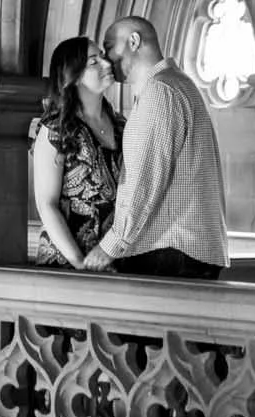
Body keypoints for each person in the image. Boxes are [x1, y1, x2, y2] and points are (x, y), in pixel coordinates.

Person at [83, 14, 229, 279]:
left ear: (134, 41)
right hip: (183, 249)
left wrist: (112, 246)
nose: (106, 59)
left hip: (172, 249)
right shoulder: (174, 84)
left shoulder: (160, 91)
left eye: (109, 47)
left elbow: (146, 179)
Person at [27, 35, 123, 269]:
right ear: (74, 76)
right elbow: (46, 205)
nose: (107, 64)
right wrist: (79, 263)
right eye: (94, 62)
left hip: (112, 262)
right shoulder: (56, 130)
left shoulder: (121, 126)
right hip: (66, 263)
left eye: (102, 57)